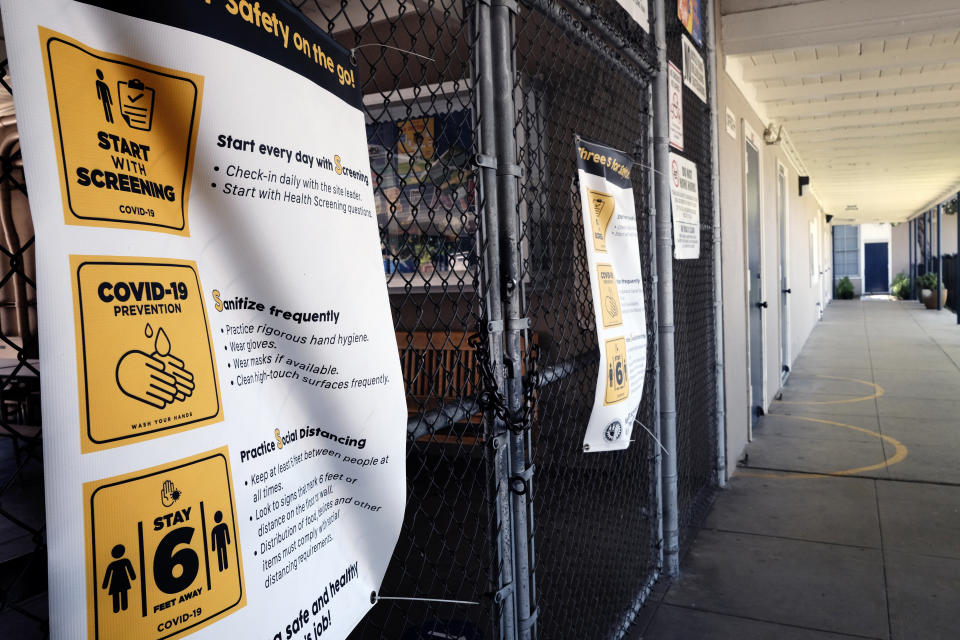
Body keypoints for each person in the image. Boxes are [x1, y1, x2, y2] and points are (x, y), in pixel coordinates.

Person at [102, 544, 136, 614]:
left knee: (118, 595)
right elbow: (130, 570)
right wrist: (133, 577)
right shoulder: (124, 561)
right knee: (122, 594)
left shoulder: (113, 564)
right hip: (122, 581)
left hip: (116, 582)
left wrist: (105, 585)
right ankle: (123, 607)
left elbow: (107, 575)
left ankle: (118, 608)